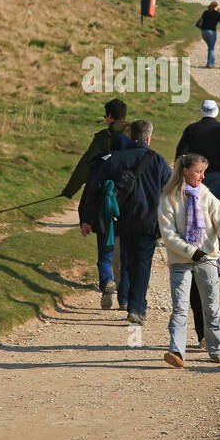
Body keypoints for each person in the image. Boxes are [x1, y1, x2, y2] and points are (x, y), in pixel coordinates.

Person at [80, 120, 171, 325]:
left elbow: (95, 189)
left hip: (120, 220)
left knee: (126, 260)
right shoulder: (157, 160)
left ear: (130, 137)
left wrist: (87, 219)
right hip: (148, 221)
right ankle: (136, 307)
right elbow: (171, 191)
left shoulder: (114, 159)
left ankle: (129, 301)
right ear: (149, 137)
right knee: (142, 264)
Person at [158, 153, 220, 368]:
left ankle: (217, 349)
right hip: (180, 262)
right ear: (185, 171)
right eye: (198, 171)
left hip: (207, 259)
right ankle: (176, 351)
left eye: (203, 172)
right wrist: (192, 251)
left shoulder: (206, 195)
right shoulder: (168, 199)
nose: (202, 176)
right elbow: (169, 235)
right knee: (180, 307)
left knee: (211, 306)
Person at [62, 99, 130, 308]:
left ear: (109, 117)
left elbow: (86, 166)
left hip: (104, 201)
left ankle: (107, 280)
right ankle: (126, 298)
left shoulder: (103, 138)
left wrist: (69, 191)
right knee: (125, 252)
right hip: (128, 201)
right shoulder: (135, 134)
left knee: (106, 248)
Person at [175, 99, 220, 203]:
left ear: (202, 111)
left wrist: (179, 172)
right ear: (216, 111)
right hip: (217, 172)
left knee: (195, 204)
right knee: (215, 206)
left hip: (195, 173)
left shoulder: (191, 129)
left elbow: (181, 152)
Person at [196, 2, 220, 67]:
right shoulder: (217, 13)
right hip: (212, 32)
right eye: (217, 7)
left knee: (210, 47)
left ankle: (209, 62)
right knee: (211, 48)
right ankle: (211, 64)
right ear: (215, 7)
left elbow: (201, 21)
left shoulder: (205, 12)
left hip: (204, 32)